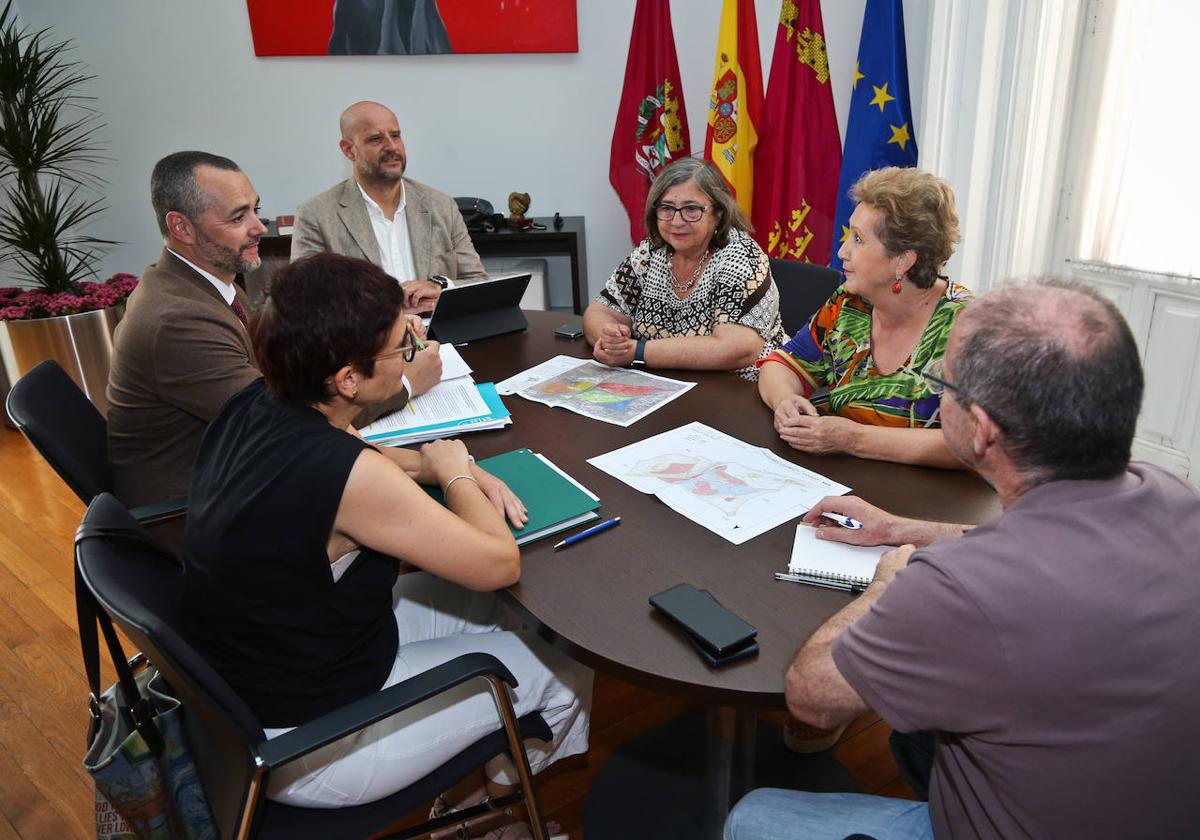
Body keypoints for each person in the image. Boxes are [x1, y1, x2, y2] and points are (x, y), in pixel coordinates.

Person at [726, 279, 1200, 840]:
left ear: (981, 429)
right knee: (920, 732)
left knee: (749, 817)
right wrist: (909, 530)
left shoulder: (959, 592)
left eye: (943, 384)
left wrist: (887, 587)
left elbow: (812, 697)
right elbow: (1044, 546)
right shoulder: (1174, 495)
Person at [183, 252, 592, 823]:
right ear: (348, 378)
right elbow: (500, 562)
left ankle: (473, 792)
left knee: (502, 613)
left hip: (265, 678)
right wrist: (453, 471)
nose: (417, 352)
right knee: (564, 667)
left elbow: (362, 452)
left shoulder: (259, 402)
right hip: (313, 743)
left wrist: (437, 466)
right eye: (404, 345)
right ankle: (494, 817)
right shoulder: (347, 479)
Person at [107, 151, 437, 509]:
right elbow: (289, 423)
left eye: (255, 210)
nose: (259, 227)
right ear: (181, 228)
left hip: (241, 473)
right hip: (199, 511)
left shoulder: (209, 284)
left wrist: (378, 342)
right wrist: (404, 382)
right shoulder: (175, 321)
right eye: (238, 217)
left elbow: (281, 380)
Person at [757, 167, 971, 468]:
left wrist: (853, 439)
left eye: (858, 239)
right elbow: (783, 364)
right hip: (840, 482)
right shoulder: (848, 303)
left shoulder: (968, 328)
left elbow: (970, 444)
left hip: (922, 503)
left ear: (903, 260)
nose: (842, 251)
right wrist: (785, 401)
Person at [583, 157, 786, 381]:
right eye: (667, 208)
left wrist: (637, 352)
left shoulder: (739, 257)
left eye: (691, 209)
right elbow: (599, 311)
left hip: (742, 390)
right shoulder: (651, 253)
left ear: (718, 213)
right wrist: (610, 338)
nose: (677, 221)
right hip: (667, 384)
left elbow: (737, 349)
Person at [291, 100, 487, 314]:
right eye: (376, 139)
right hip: (365, 343)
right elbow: (304, 301)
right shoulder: (316, 215)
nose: (392, 147)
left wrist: (440, 286)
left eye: (395, 136)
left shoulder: (440, 206)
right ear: (349, 150)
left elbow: (478, 282)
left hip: (439, 339)